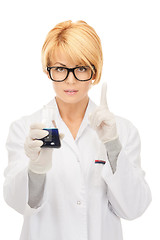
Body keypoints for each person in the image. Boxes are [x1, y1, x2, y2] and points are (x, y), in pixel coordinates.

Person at [3, 20, 151, 240]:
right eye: (61, 69)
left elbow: (134, 208)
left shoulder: (122, 131)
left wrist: (112, 146)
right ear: (48, 71)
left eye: (81, 68)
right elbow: (18, 203)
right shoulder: (24, 129)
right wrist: (35, 170)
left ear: (94, 72)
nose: (70, 80)